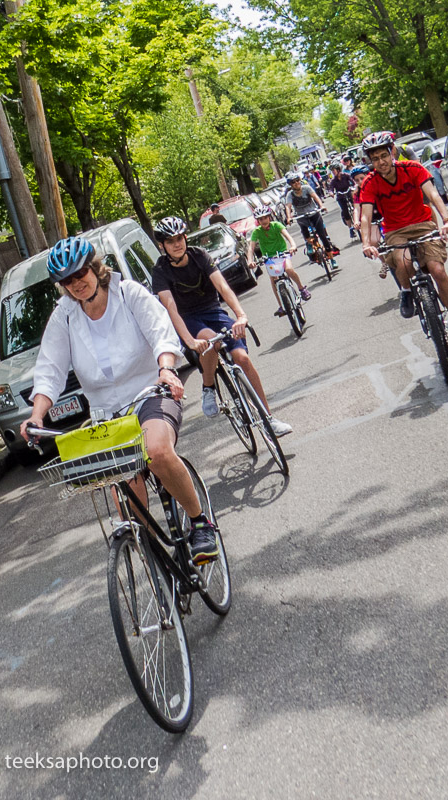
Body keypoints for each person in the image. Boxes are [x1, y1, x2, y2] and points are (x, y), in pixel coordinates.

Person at [21, 236, 220, 564]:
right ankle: (159, 564)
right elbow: (49, 370)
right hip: (106, 415)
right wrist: (37, 415)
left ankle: (201, 523)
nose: (77, 284)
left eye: (80, 273)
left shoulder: (129, 294)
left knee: (155, 451)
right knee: (126, 490)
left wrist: (167, 370)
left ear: (94, 269)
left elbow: (160, 333)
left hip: (150, 392)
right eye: (68, 281)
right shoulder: (65, 317)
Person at [151, 216, 293, 437]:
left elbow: (222, 287)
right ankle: (208, 388)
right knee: (210, 342)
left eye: (179, 238)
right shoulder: (160, 270)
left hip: (213, 311)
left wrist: (241, 316)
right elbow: (170, 307)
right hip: (187, 319)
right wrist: (189, 340)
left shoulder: (199, 255)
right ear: (163, 246)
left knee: (243, 358)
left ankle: (269, 419)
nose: (177, 244)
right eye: (170, 241)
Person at [358, 131, 448, 344]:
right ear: (370, 161)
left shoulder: (412, 168)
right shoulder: (369, 183)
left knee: (437, 270)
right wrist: (366, 243)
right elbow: (365, 217)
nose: (381, 162)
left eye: (384, 155)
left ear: (392, 151)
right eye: (375, 159)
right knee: (403, 263)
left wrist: (446, 219)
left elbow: (433, 195)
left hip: (423, 224)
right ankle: (406, 289)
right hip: (395, 231)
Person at [246, 205, 311, 316]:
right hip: (269, 258)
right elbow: (251, 248)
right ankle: (281, 306)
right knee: (274, 279)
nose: (263, 221)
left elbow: (287, 236)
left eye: (265, 218)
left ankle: (301, 288)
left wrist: (293, 245)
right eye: (260, 219)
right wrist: (250, 260)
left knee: (289, 270)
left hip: (282, 253)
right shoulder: (256, 232)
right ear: (258, 221)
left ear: (269, 217)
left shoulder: (277, 225)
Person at [283, 171, 339, 261]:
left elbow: (315, 197)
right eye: (293, 182)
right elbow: (288, 206)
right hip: (301, 217)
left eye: (297, 180)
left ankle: (332, 259)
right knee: (305, 233)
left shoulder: (306, 188)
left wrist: (321, 206)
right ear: (290, 184)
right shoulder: (290, 194)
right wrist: (289, 217)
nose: (296, 183)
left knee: (323, 236)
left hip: (313, 213)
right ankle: (309, 243)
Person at [328, 164, 356, 239]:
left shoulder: (345, 175)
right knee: (345, 212)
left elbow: (353, 181)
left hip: (348, 192)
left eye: (334, 170)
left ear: (338, 169)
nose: (333, 172)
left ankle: (357, 220)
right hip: (341, 196)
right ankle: (350, 228)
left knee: (356, 206)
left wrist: (355, 186)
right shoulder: (333, 180)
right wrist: (331, 192)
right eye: (332, 171)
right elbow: (331, 188)